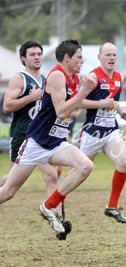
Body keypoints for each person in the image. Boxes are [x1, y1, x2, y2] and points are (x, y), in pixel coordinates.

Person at [0, 39, 97, 235]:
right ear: (67, 58)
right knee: (8, 192)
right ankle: (53, 213)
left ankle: (49, 207)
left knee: (86, 166)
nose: (82, 62)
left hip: (56, 143)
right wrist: (84, 91)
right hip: (36, 143)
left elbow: (77, 102)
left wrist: (103, 103)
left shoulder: (73, 78)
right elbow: (61, 111)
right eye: (79, 58)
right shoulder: (56, 76)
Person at [1, 40, 59, 207]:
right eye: (32, 55)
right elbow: (7, 106)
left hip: (39, 137)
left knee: (51, 176)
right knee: (10, 184)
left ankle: (54, 215)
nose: (37, 57)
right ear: (23, 58)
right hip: (22, 135)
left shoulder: (44, 79)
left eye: (39, 54)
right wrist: (30, 98)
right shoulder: (19, 79)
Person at [78, 42, 126, 224]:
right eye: (107, 55)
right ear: (99, 57)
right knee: (79, 172)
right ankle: (54, 202)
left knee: (123, 162)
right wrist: (102, 104)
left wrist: (121, 111)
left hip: (111, 131)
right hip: (92, 133)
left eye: (114, 55)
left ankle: (112, 207)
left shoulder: (119, 77)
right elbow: (78, 102)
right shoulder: (92, 77)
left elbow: (112, 101)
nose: (111, 58)